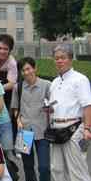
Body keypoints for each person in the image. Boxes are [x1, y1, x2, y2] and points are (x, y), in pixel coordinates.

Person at [48, 45, 91, 181]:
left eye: (63, 58)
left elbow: (87, 105)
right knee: (57, 170)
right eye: (56, 58)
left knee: (77, 171)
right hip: (56, 129)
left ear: (70, 59)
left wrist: (87, 128)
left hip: (74, 128)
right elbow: (54, 105)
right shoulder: (54, 82)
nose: (59, 61)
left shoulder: (80, 79)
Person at [11, 57, 50, 181]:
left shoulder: (47, 85)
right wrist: (18, 120)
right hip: (24, 131)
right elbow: (15, 108)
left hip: (43, 130)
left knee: (44, 167)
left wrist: (49, 109)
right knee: (27, 166)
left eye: (28, 69)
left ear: (35, 68)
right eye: (23, 70)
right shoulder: (18, 87)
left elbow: (53, 106)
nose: (26, 72)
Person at [0, 34, 18, 109]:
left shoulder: (12, 63)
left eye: (5, 49)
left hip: (5, 94)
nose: (2, 51)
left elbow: (12, 83)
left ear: (10, 50)